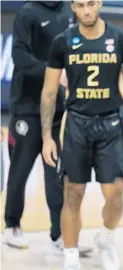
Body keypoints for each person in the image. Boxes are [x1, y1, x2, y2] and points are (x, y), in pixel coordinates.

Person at [40, 0, 123, 270]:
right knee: (73, 193)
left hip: (110, 125)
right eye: (81, 5)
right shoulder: (62, 42)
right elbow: (49, 92)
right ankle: (71, 257)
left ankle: (106, 238)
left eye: (92, 4)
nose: (87, 10)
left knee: (116, 195)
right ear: (73, 7)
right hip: (76, 126)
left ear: (100, 3)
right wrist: (47, 137)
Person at [3, 0, 80, 252]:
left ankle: (59, 235)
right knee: (19, 170)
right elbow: (19, 56)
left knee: (56, 175)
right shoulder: (27, 13)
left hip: (56, 110)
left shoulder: (70, 10)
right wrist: (54, 73)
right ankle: (12, 226)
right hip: (26, 107)